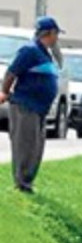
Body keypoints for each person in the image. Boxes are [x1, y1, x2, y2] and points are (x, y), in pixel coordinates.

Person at [0, 16, 63, 193]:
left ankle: (28, 180)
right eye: (56, 34)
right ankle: (22, 183)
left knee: (37, 146)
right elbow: (11, 73)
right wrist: (4, 92)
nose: (57, 38)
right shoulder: (29, 51)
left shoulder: (44, 53)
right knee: (25, 145)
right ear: (49, 33)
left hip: (40, 109)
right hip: (25, 105)